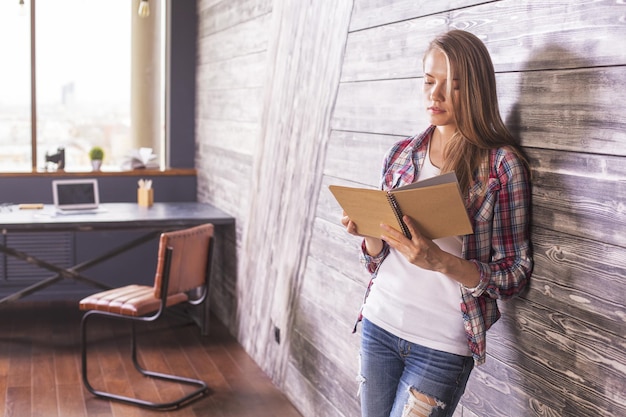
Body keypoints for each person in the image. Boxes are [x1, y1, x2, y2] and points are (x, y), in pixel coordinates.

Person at [341, 29, 533, 417]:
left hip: (441, 344)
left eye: (453, 86)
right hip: (380, 322)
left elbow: (515, 274)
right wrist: (372, 238)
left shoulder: (501, 166)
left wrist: (441, 262)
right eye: (430, 81)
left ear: (476, 90)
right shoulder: (400, 154)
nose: (436, 95)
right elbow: (377, 263)